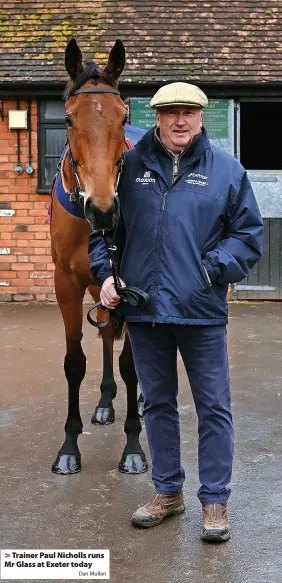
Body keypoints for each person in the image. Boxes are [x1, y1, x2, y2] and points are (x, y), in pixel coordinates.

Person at [88, 82, 263, 542]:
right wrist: (106, 275)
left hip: (201, 311)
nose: (180, 120)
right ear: (157, 117)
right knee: (157, 404)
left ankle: (214, 501)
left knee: (213, 407)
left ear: (201, 117)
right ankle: (168, 492)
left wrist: (208, 271)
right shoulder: (128, 169)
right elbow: (103, 232)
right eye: (170, 113)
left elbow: (247, 236)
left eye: (188, 112)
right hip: (144, 312)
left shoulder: (226, 171)